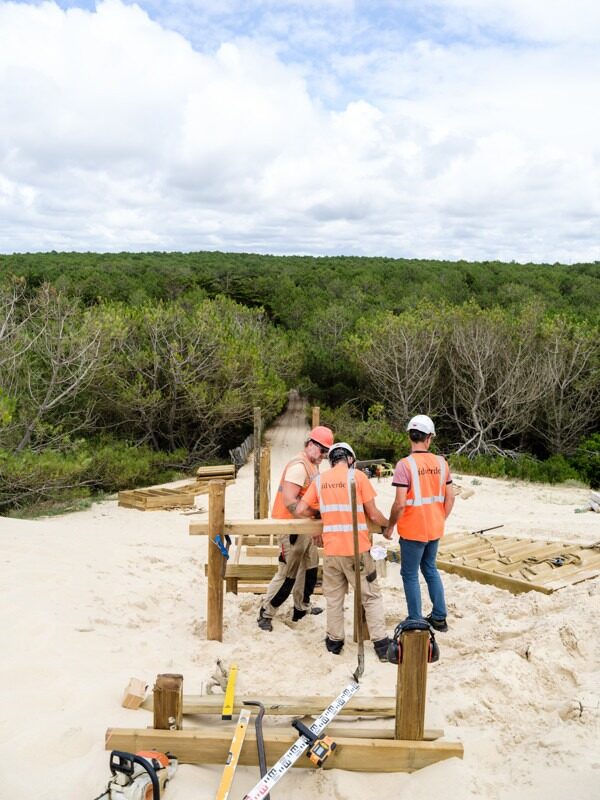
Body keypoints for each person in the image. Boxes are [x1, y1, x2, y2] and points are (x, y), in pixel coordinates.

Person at [296, 442, 391, 661]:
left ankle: (334, 641)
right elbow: (373, 514)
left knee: (334, 598)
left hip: (332, 551)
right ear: (349, 459)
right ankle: (381, 644)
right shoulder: (357, 477)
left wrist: (320, 515)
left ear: (332, 460)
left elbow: (300, 509)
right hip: (357, 549)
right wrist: (387, 525)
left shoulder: (320, 481)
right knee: (371, 596)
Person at [257, 426, 334, 631]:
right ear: (311, 445)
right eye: (322, 450)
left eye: (327, 452)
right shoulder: (299, 467)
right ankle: (266, 611)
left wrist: (314, 524)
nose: (324, 455)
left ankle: (301, 607)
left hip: (304, 526)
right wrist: (314, 518)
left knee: (310, 567)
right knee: (287, 572)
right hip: (291, 526)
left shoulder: (312, 465)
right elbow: (290, 501)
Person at [384, 414, 454, 632]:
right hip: (434, 528)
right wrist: (440, 518)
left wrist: (390, 526)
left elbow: (399, 503)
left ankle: (415, 619)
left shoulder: (404, 465)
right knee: (430, 568)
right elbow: (450, 497)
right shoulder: (442, 463)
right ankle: (439, 618)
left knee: (410, 574)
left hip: (413, 531)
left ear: (410, 437)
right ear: (429, 438)